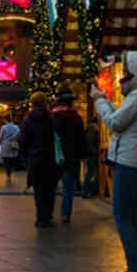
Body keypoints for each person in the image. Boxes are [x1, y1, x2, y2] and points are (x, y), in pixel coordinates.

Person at [91, 51, 137, 272]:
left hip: (129, 161)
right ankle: (135, 268)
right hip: (135, 159)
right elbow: (120, 119)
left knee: (122, 216)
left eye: (129, 71)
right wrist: (105, 100)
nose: (124, 76)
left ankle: (135, 271)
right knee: (128, 217)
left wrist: (99, 100)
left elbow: (113, 122)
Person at [19, 91, 59, 228]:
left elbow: (23, 140)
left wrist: (25, 156)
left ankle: (40, 218)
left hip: (35, 159)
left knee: (39, 190)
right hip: (50, 158)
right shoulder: (51, 118)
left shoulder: (27, 119)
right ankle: (48, 217)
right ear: (45, 102)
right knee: (50, 190)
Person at [50, 87, 87, 224]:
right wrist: (83, 154)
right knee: (68, 189)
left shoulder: (52, 117)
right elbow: (81, 139)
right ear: (70, 102)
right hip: (71, 158)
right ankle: (65, 215)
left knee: (51, 188)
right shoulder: (75, 118)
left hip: (54, 158)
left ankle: (49, 213)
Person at [0, 114, 20, 181]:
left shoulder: (3, 127)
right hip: (14, 143)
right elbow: (19, 135)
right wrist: (13, 138)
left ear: (5, 120)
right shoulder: (16, 127)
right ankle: (11, 171)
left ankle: (8, 175)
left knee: (7, 160)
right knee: (12, 158)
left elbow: (0, 137)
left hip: (5, 144)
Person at [83, 114, 101, 197]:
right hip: (90, 154)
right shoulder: (92, 129)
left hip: (89, 153)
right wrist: (96, 152)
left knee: (90, 172)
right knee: (90, 172)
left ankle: (89, 190)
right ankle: (86, 191)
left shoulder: (91, 128)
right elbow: (90, 142)